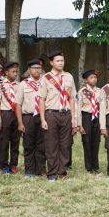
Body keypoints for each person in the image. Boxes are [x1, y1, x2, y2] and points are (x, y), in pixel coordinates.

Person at [38, 51, 80, 182]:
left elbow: (72, 98)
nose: (61, 63)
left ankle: (62, 171)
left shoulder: (69, 77)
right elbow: (41, 99)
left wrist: (73, 118)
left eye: (62, 61)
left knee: (65, 144)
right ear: (51, 62)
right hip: (51, 114)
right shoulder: (45, 78)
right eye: (58, 61)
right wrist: (42, 119)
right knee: (51, 145)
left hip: (66, 113)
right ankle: (52, 173)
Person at [16, 59, 46, 178]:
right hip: (28, 117)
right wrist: (20, 122)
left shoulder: (45, 83)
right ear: (29, 70)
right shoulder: (23, 84)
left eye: (39, 68)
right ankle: (29, 170)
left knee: (42, 144)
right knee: (28, 144)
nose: (37, 70)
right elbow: (18, 104)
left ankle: (41, 169)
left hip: (42, 116)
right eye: (34, 68)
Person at [0, 61, 20, 174]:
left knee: (15, 141)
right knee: (3, 141)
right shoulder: (0, 85)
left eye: (16, 72)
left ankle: (13, 164)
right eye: (13, 71)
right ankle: (3, 164)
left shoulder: (19, 85)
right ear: (6, 72)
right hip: (5, 114)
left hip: (16, 114)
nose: (15, 74)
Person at [78, 69, 104, 174]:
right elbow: (78, 109)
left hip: (96, 117)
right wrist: (79, 124)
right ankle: (88, 167)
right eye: (91, 78)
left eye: (95, 77)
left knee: (96, 142)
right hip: (86, 117)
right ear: (86, 80)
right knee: (87, 142)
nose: (94, 79)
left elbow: (102, 107)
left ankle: (95, 166)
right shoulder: (81, 92)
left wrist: (102, 124)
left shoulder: (100, 91)